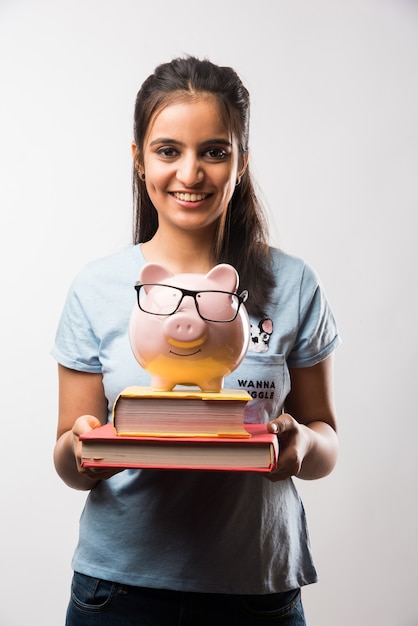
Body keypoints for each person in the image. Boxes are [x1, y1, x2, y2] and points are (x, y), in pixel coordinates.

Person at [52, 55, 341, 626]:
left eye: (214, 151)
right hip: (120, 590)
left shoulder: (293, 284)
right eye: (168, 150)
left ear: (242, 162)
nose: (191, 173)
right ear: (139, 160)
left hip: (257, 589)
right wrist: (86, 449)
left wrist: (300, 445)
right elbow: (66, 452)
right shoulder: (96, 287)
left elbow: (326, 439)